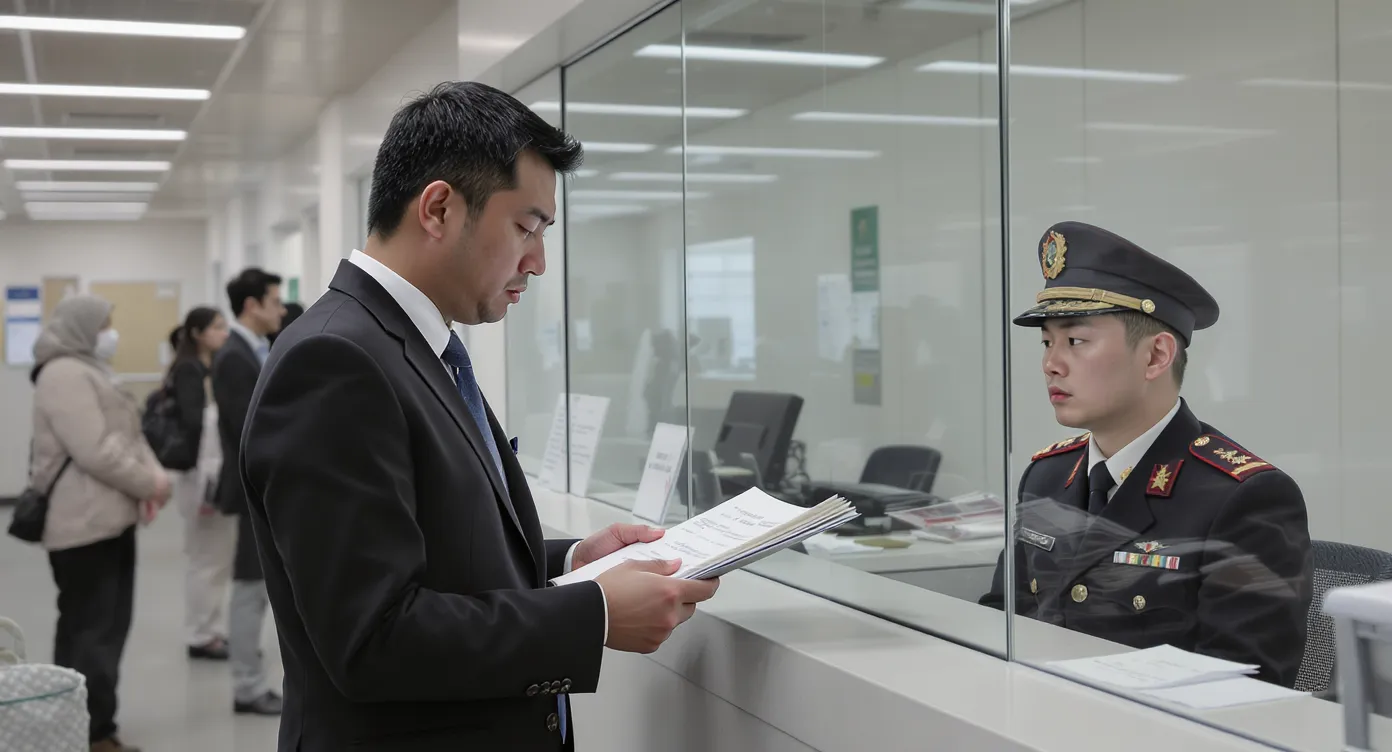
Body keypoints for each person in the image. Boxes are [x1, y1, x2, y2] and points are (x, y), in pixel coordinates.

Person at [239, 81, 720, 752]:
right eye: (526, 227)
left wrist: (576, 561)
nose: (539, 262)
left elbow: (440, 555)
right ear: (438, 208)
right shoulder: (334, 362)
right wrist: (595, 613)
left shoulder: (414, 348)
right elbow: (373, 637)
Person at [981, 221, 1313, 687]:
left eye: (1075, 341)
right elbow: (1001, 622)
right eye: (1047, 342)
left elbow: (1247, 689)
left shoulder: (1240, 496)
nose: (1051, 363)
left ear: (1156, 356)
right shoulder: (1046, 476)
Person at [29, 295, 171, 752]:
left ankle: (80, 724)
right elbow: (94, 449)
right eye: (104, 324)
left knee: (100, 629)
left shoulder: (91, 369)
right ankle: (91, 732)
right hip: (83, 525)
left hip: (110, 519)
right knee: (91, 633)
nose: (111, 333)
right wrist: (148, 483)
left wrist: (154, 475)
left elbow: (126, 435)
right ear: (82, 328)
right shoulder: (63, 374)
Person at [211, 268, 285, 715]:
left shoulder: (255, 349)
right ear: (252, 305)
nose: (280, 309)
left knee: (258, 588)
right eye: (275, 301)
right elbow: (249, 430)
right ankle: (247, 685)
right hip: (250, 488)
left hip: (262, 486)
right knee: (249, 588)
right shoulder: (234, 356)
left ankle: (252, 680)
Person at [164, 308, 235, 661]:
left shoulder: (204, 367)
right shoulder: (190, 370)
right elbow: (197, 427)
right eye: (218, 327)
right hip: (202, 477)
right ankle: (202, 634)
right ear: (197, 333)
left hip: (204, 473)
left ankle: (211, 629)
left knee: (212, 558)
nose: (225, 333)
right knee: (207, 559)